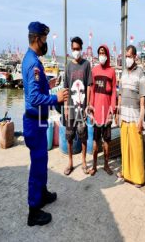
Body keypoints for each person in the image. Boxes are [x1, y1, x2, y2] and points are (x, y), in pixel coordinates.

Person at [22, 21, 68, 226]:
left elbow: (36, 89)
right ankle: (34, 211)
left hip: (39, 120)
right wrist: (55, 99)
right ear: (38, 39)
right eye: (45, 39)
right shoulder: (33, 63)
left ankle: (42, 194)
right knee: (37, 164)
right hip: (34, 120)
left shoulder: (33, 60)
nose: (46, 43)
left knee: (41, 161)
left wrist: (47, 86)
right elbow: (33, 98)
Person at [116, 45, 145, 188]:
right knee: (125, 146)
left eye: (129, 56)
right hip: (124, 115)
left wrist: (141, 119)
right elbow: (120, 94)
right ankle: (126, 174)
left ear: (135, 57)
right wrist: (117, 113)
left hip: (134, 116)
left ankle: (138, 178)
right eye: (126, 56)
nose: (127, 59)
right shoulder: (122, 73)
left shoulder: (140, 73)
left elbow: (142, 99)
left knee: (136, 147)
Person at [64, 37, 92, 176]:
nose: (75, 51)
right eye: (73, 49)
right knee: (69, 136)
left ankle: (84, 161)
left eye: (77, 49)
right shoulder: (68, 66)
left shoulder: (86, 65)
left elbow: (89, 86)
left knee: (83, 135)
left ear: (81, 48)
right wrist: (65, 107)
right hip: (70, 107)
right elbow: (66, 88)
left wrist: (88, 106)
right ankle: (70, 162)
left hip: (82, 108)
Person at [89, 45, 117, 176]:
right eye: (100, 53)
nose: (101, 55)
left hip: (107, 113)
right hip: (96, 112)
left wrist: (112, 110)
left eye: (103, 53)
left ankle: (106, 165)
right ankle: (94, 166)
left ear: (107, 54)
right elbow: (92, 92)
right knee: (95, 141)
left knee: (106, 141)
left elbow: (113, 93)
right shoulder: (94, 70)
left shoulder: (112, 71)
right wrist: (90, 108)